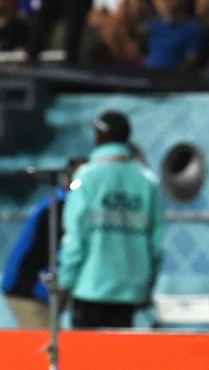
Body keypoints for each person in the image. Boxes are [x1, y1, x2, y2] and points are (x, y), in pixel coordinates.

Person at [58, 111, 164, 328]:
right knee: (119, 359)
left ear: (99, 135)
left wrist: (64, 284)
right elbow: (157, 243)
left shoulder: (86, 177)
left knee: (86, 359)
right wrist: (147, 286)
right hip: (131, 290)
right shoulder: (148, 181)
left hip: (90, 287)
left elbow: (75, 239)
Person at [2, 158, 85, 329]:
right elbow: (63, 252)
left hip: (30, 287)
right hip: (27, 289)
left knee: (51, 342)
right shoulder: (62, 206)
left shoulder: (58, 203)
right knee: (45, 345)